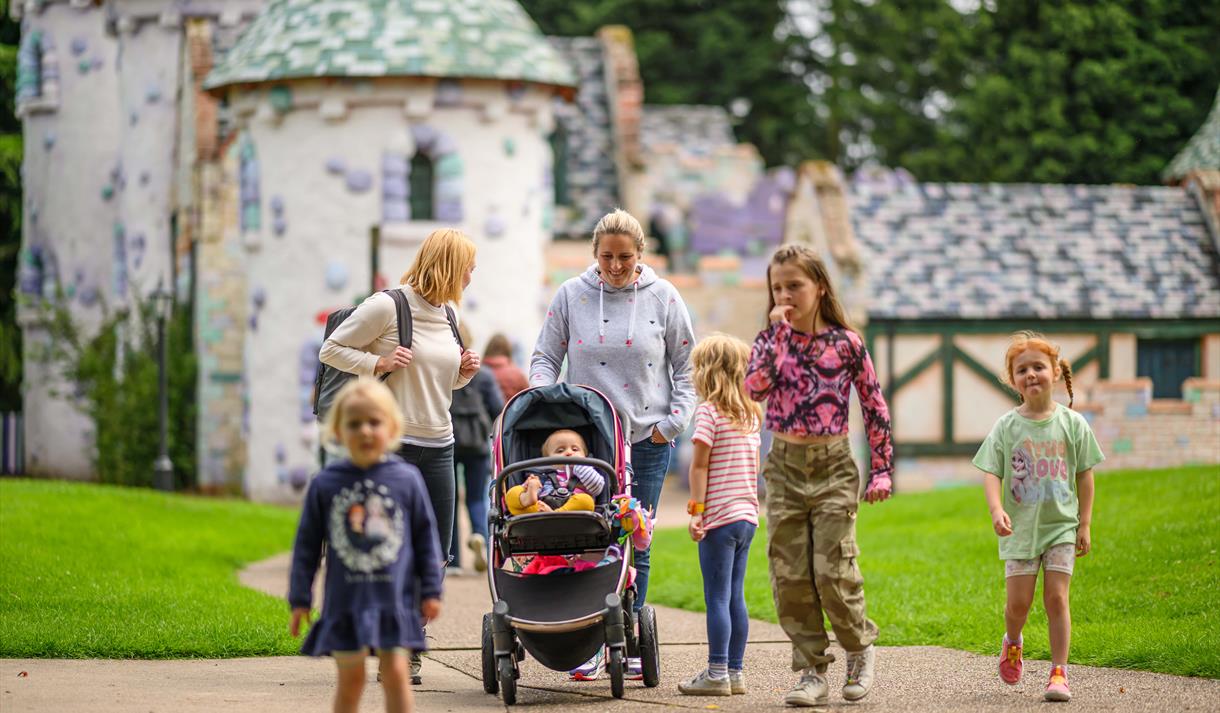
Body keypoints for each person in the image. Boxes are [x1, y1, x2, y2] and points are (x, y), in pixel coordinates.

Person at [530, 208, 695, 681]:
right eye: (607, 257)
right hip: (588, 444)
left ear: (641, 254)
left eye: (625, 257)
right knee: (586, 539)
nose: (616, 266)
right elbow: (545, 357)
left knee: (636, 542)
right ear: (595, 254)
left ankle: (629, 639)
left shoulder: (664, 297)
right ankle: (589, 642)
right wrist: (542, 399)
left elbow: (687, 369)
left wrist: (671, 426)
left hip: (646, 441)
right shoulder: (571, 294)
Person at [319, 227, 480, 683]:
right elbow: (332, 349)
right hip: (394, 447)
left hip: (440, 445)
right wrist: (378, 363)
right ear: (448, 265)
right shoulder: (388, 306)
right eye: (467, 267)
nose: (471, 276)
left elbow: (439, 384)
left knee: (436, 554)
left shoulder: (449, 315)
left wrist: (464, 372)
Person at [744, 244, 893, 708]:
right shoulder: (769, 341)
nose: (785, 295)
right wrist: (779, 336)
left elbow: (874, 406)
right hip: (784, 467)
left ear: (820, 287)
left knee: (833, 571)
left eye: (795, 285)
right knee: (789, 575)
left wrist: (882, 470)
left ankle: (859, 649)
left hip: (833, 467)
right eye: (777, 288)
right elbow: (754, 389)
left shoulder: (846, 343)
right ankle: (811, 671)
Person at [288, 378, 443, 713]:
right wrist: (300, 599)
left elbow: (425, 539)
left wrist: (431, 591)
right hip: (346, 603)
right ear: (338, 431)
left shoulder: (406, 480)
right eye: (354, 424)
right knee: (351, 679)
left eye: (374, 422)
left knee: (397, 674)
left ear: (392, 428)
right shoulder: (325, 484)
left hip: (394, 602)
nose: (365, 431)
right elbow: (306, 547)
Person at [973, 332, 1102, 703]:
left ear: (1056, 372)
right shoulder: (1007, 426)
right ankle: (1013, 641)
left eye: (1038, 367)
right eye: (1022, 370)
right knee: (1019, 605)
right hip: (1020, 529)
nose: (1031, 374)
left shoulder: (1073, 424)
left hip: (1061, 527)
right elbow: (991, 471)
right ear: (1013, 380)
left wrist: (1085, 523)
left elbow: (1085, 475)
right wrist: (996, 510)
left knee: (1056, 599)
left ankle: (1059, 672)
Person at [677, 334, 762, 697]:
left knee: (716, 597)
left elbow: (700, 466)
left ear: (708, 372)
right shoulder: (751, 414)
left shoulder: (709, 412)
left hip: (720, 518)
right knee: (735, 595)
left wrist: (697, 511)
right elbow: (754, 468)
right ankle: (735, 672)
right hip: (747, 517)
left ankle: (716, 674)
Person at [448, 325, 503, 574]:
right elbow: (498, 409)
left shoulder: (442, 370)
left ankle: (453, 560)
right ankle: (480, 537)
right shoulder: (484, 374)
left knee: (449, 500)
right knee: (475, 499)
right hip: (478, 444)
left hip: (448, 442)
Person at [504, 429, 605, 515]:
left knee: (586, 501)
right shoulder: (542, 473)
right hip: (539, 510)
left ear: (585, 455)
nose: (569, 453)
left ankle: (556, 514)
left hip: (572, 513)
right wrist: (529, 486)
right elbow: (530, 491)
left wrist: (580, 465)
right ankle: (527, 498)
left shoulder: (586, 471)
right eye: (560, 451)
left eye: (575, 449)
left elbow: (597, 488)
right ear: (548, 460)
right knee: (513, 493)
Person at [483, 333, 529, 403]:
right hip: (510, 409)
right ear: (508, 350)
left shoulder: (478, 372)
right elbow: (529, 398)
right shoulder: (517, 374)